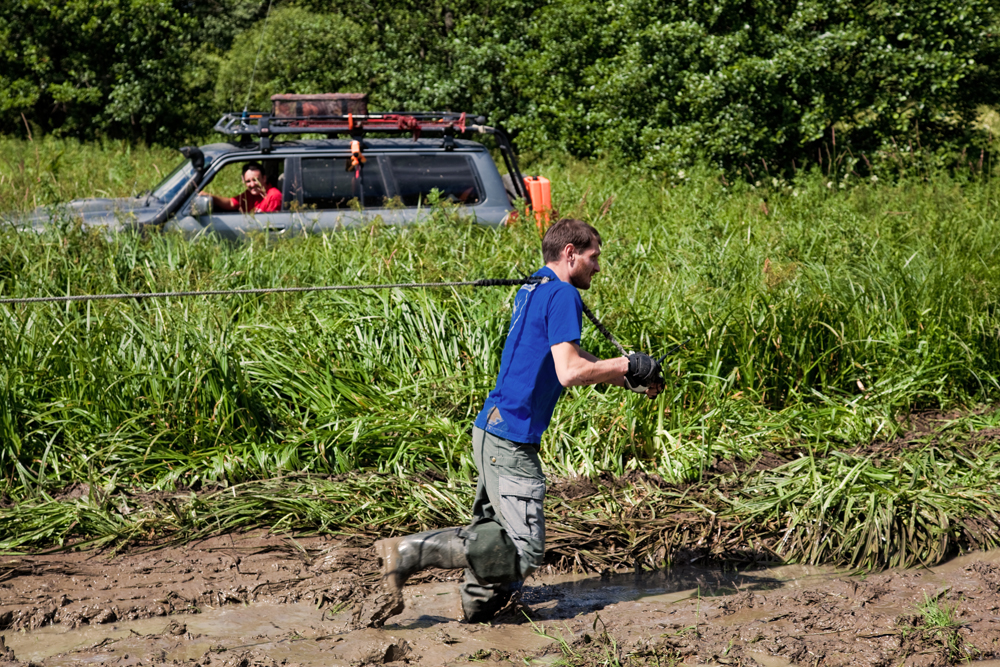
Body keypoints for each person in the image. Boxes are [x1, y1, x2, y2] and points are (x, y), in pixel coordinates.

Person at [374, 218, 665, 623]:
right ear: (570, 254)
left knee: (492, 535)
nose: (598, 267)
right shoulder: (561, 293)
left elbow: (567, 362)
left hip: (492, 430)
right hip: (510, 437)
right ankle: (408, 553)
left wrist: (628, 378)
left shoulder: (536, 288)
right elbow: (569, 372)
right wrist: (627, 361)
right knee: (525, 548)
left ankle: (480, 612)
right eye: (593, 257)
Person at [201, 162, 282, 213]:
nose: (252, 184)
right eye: (248, 181)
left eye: (255, 180)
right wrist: (209, 196)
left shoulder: (274, 196)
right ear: (243, 181)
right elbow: (231, 203)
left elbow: (270, 224)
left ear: (264, 178)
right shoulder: (250, 194)